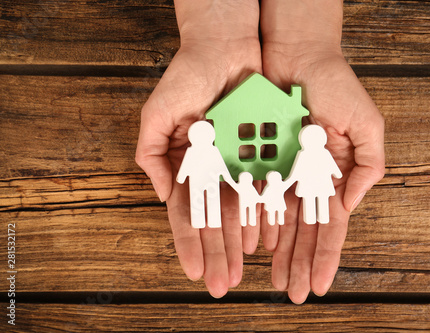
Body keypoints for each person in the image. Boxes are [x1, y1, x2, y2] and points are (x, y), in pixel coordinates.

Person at [135, 0, 385, 303]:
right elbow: (213, 168)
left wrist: (310, 40)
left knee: (303, 207)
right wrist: (212, 33)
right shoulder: (213, 151)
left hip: (293, 185)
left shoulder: (307, 152)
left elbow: (285, 170)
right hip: (216, 185)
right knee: (208, 208)